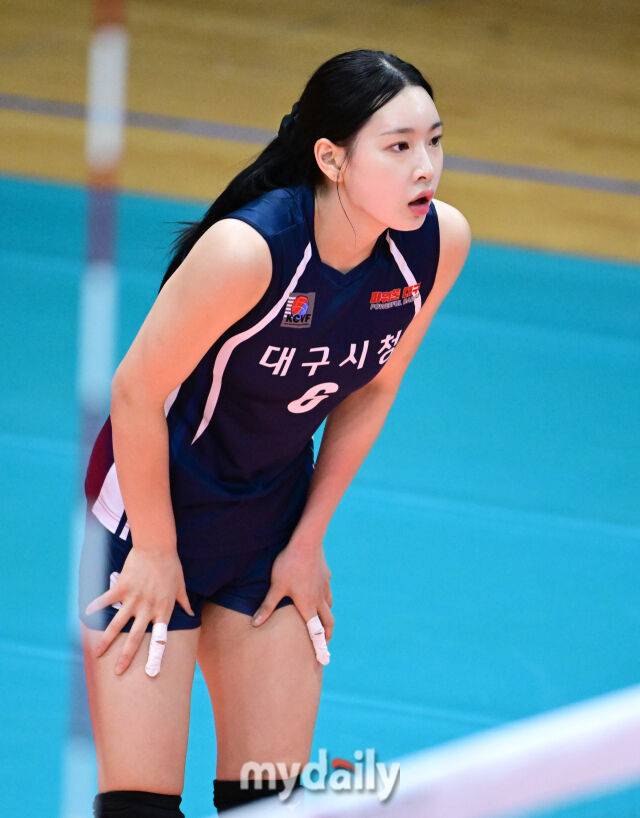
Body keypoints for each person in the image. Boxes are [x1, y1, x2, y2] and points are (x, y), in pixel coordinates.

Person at [77, 48, 471, 817]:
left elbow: (375, 386)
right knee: (139, 808)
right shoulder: (248, 252)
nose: (426, 167)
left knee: (272, 803)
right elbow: (134, 392)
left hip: (269, 521)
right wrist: (154, 550)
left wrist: (307, 539)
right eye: (398, 146)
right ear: (332, 159)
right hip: (150, 518)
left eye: (434, 141)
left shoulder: (435, 243)